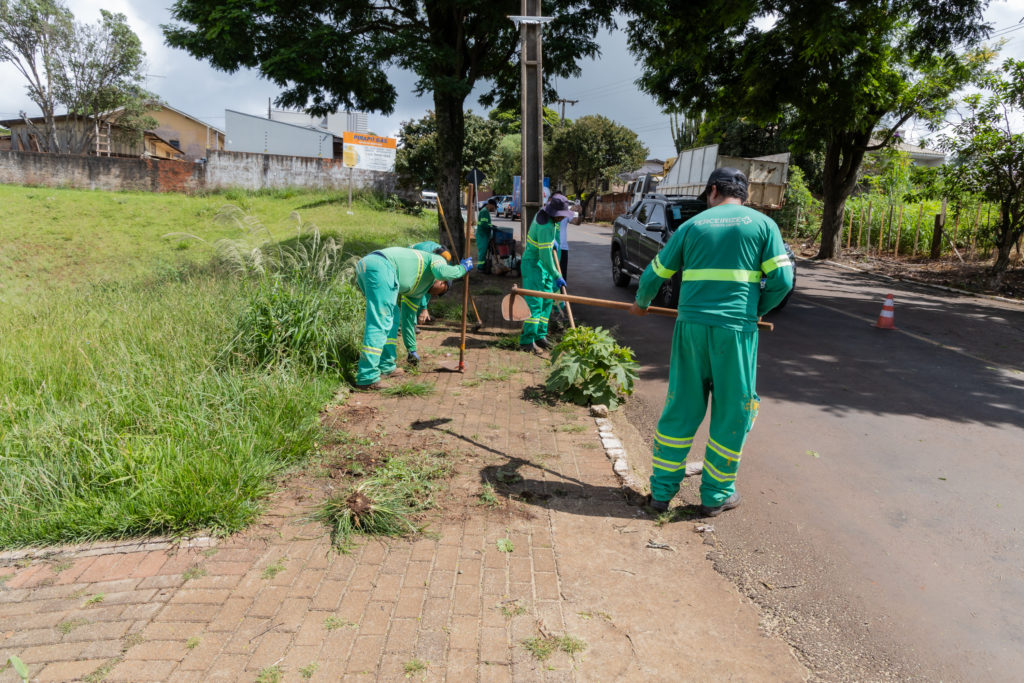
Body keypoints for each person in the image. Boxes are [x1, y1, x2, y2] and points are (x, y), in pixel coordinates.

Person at [629, 167, 793, 516]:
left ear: (713, 190)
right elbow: (782, 280)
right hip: (735, 331)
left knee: (681, 408)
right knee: (732, 411)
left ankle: (661, 493)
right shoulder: (763, 225)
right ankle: (716, 496)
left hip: (690, 328)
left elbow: (655, 273)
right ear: (745, 194)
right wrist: (756, 310)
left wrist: (641, 303)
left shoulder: (691, 226)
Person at [354, 246, 472, 389]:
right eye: (442, 292)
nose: (436, 295)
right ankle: (367, 377)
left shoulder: (417, 291)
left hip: (369, 266)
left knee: (394, 317)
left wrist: (412, 349)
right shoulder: (437, 259)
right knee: (380, 321)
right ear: (443, 282)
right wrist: (462, 269)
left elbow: (408, 320)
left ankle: (386, 365)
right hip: (380, 266)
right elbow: (441, 272)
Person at [519, 193, 574, 353]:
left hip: (543, 266)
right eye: (561, 215)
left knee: (547, 300)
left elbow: (546, 251)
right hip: (533, 265)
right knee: (535, 304)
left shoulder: (546, 216)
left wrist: (551, 242)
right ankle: (527, 341)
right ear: (554, 213)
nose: (562, 218)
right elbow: (545, 256)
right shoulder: (546, 226)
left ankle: (540, 335)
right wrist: (557, 275)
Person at [408, 241, 452, 326]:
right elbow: (420, 287)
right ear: (442, 282)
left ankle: (421, 315)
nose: (435, 295)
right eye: (439, 292)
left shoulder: (446, 260)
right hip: (410, 259)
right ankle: (411, 322)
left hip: (423, 256)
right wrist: (424, 308)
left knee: (430, 288)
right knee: (413, 292)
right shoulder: (426, 263)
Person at [476, 198, 497, 271]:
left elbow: (485, 223)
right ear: (490, 205)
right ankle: (480, 267)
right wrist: (491, 226)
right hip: (482, 235)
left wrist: (491, 225)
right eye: (494, 207)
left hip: (483, 235)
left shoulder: (485, 211)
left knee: (483, 251)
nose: (494, 209)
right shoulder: (484, 211)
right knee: (482, 252)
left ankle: (482, 266)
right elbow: (483, 224)